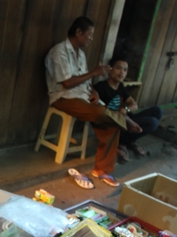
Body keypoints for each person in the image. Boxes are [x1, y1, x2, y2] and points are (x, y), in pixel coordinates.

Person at [45, 17, 141, 187]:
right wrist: (94, 73)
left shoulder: (80, 54)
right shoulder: (59, 52)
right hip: (63, 98)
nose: (91, 39)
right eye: (89, 35)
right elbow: (67, 83)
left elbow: (86, 82)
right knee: (102, 113)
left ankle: (102, 170)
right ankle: (125, 121)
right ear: (78, 32)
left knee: (111, 123)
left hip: (83, 96)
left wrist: (94, 91)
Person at [94, 56, 162, 162]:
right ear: (110, 69)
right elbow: (102, 112)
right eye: (118, 68)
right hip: (116, 125)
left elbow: (134, 105)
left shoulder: (120, 87)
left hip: (125, 119)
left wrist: (125, 109)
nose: (122, 72)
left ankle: (130, 140)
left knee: (157, 111)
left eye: (125, 70)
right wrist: (124, 115)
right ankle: (122, 142)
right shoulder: (101, 87)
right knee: (153, 123)